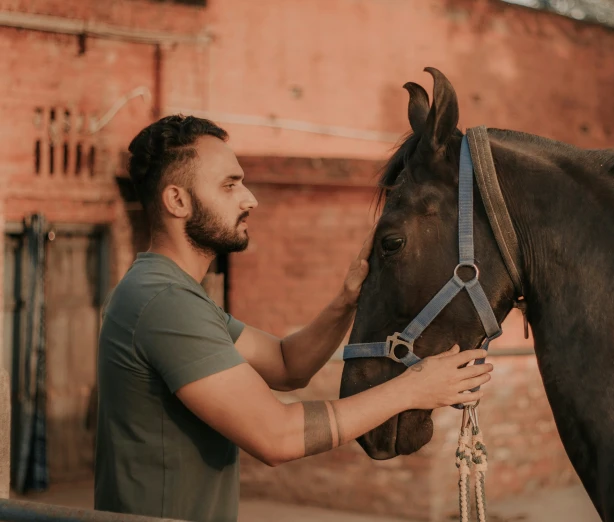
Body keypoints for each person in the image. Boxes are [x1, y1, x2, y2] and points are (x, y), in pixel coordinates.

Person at [93, 115, 493, 522]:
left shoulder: (174, 294)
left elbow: (288, 365)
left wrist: (346, 298)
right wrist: (413, 389)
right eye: (230, 185)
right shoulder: (163, 302)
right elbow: (275, 436)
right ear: (177, 201)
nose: (250, 199)